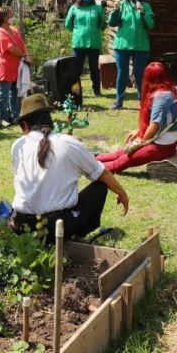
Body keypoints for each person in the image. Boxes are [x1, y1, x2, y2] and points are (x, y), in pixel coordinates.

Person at [8, 93, 129, 243]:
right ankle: (76, 234)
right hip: (54, 228)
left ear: (25, 126)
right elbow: (100, 173)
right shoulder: (68, 143)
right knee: (100, 186)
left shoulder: (17, 146)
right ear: (50, 120)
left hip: (21, 225)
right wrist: (122, 193)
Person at [95, 62, 177, 173]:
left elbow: (154, 125)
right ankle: (88, 157)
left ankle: (85, 165)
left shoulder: (161, 96)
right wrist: (139, 131)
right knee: (121, 153)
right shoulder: (170, 91)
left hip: (162, 146)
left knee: (120, 162)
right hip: (165, 142)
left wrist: (140, 141)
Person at [108, 0, 154, 110]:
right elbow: (112, 23)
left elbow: (150, 25)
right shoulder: (122, 4)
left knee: (139, 74)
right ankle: (118, 101)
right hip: (122, 45)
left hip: (141, 46)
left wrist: (143, 12)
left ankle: (143, 102)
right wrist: (115, 10)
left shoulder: (146, 6)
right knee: (122, 73)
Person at [64, 0, 105, 97]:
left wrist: (96, 30)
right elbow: (68, 24)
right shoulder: (74, 8)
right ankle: (76, 92)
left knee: (94, 69)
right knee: (76, 70)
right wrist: (77, 31)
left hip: (94, 43)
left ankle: (96, 90)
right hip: (79, 43)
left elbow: (102, 23)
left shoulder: (97, 8)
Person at [0, 6, 28, 125]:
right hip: (5, 67)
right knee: (4, 94)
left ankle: (15, 116)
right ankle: (4, 118)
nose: (13, 17)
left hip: (17, 66)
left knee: (15, 93)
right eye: (11, 15)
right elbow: (11, 49)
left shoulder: (14, 29)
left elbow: (22, 44)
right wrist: (23, 55)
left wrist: (26, 55)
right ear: (4, 18)